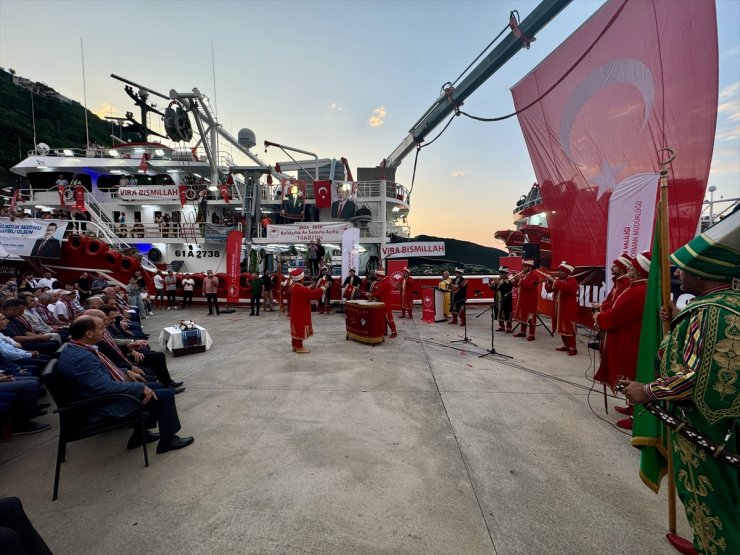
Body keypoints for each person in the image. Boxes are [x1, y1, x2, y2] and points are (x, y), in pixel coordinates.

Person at [619, 211, 739, 555]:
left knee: (709, 502)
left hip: (705, 427)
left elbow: (696, 377)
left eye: (684, 268)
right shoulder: (725, 305)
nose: (677, 272)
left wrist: (647, 391)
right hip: (724, 426)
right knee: (728, 500)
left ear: (704, 273)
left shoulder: (709, 312)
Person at [57, 315, 194, 454]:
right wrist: (140, 388)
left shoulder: (76, 348)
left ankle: (140, 435)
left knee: (156, 387)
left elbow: (99, 374)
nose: (104, 331)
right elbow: (105, 388)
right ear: (89, 333)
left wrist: (125, 371)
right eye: (101, 328)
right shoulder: (83, 358)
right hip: (103, 404)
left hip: (95, 396)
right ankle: (168, 441)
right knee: (165, 395)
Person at [593, 254, 647, 427]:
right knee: (626, 369)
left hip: (630, 338)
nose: (628, 269)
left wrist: (599, 317)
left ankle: (636, 416)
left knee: (630, 370)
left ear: (638, 271)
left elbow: (618, 315)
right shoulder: (636, 287)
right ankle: (631, 407)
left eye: (632, 267)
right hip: (626, 336)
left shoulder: (638, 291)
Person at [544, 261, 579, 356]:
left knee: (569, 327)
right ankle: (566, 345)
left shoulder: (572, 281)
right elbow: (549, 290)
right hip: (559, 308)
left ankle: (573, 348)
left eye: (561, 271)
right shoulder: (559, 281)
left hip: (568, 309)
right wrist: (548, 282)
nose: (559, 272)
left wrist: (554, 281)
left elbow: (567, 288)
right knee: (561, 327)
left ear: (567, 272)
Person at [286, 269, 324, 353]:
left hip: (295, 311)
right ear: (302, 279)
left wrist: (308, 287)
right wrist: (322, 288)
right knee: (300, 328)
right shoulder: (301, 289)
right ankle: (299, 347)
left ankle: (295, 345)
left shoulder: (294, 286)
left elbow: (303, 290)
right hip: (301, 312)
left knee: (295, 328)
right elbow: (313, 295)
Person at [512, 260, 540, 341]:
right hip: (522, 299)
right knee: (522, 314)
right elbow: (518, 285)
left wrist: (520, 280)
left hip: (530, 299)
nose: (523, 268)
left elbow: (530, 286)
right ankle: (523, 332)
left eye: (525, 267)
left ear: (530, 267)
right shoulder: (524, 275)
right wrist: (514, 281)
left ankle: (532, 334)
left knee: (530, 317)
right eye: (523, 267)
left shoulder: (534, 276)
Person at [369, 269, 397, 338]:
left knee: (388, 318)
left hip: (386, 303)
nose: (376, 277)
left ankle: (394, 332)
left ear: (380, 276)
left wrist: (370, 294)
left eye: (377, 276)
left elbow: (379, 293)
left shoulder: (385, 283)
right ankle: (385, 331)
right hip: (382, 302)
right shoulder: (382, 281)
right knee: (383, 318)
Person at [489, 267, 514, 333]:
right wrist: (489, 284)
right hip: (498, 299)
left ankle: (509, 328)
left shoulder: (509, 280)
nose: (500, 274)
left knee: (506, 313)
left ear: (506, 274)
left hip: (506, 300)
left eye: (502, 273)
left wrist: (498, 283)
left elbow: (507, 289)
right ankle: (501, 326)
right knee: (498, 312)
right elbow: (494, 288)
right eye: (500, 273)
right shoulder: (499, 280)